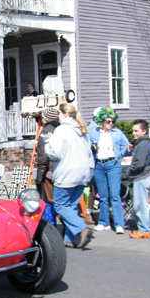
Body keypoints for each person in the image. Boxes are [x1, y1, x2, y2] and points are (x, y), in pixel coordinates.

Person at [44, 102, 94, 248]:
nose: (57, 116)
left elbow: (55, 153)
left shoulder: (61, 130)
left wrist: (47, 144)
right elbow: (89, 153)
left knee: (60, 205)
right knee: (71, 205)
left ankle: (81, 228)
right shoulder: (82, 130)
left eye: (59, 113)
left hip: (67, 172)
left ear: (64, 114)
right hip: (83, 172)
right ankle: (69, 239)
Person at [88, 107, 130, 234]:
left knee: (115, 195)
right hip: (99, 165)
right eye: (108, 121)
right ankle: (103, 222)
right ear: (101, 121)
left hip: (113, 164)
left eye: (112, 121)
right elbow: (88, 146)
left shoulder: (117, 133)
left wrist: (124, 152)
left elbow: (125, 145)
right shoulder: (94, 132)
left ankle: (119, 224)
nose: (110, 124)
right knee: (102, 195)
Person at [128, 120, 150, 239]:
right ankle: (142, 228)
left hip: (142, 177)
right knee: (138, 205)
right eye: (133, 131)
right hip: (142, 177)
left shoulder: (143, 144)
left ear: (144, 131)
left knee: (141, 205)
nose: (134, 133)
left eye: (136, 131)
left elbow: (140, 163)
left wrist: (130, 171)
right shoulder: (142, 143)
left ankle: (144, 229)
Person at [35, 105, 59, 225]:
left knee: (48, 200)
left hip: (49, 172)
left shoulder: (46, 131)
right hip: (60, 170)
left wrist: (39, 178)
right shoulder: (60, 129)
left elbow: (43, 157)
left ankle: (50, 227)